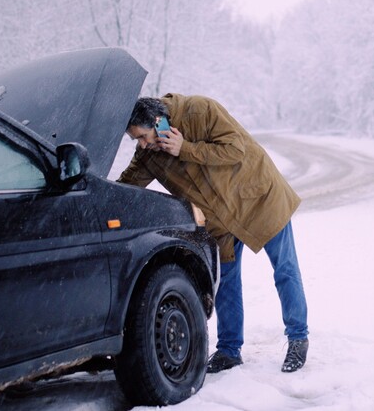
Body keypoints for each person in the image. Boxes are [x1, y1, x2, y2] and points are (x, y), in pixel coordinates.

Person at [117, 94, 310, 373]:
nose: (143, 144)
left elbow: (236, 149)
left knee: (285, 269)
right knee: (225, 284)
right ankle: (229, 351)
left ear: (158, 122)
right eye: (137, 140)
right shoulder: (149, 154)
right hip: (219, 221)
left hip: (258, 198)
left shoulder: (200, 110)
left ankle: (298, 339)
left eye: (143, 136)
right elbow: (126, 186)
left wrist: (185, 148)